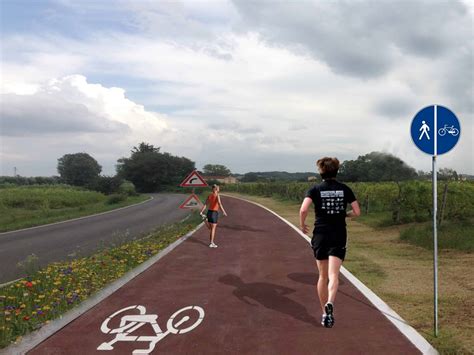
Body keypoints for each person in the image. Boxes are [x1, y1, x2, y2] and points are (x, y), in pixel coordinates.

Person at [299, 157, 360, 328]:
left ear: (321, 171)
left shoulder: (315, 189)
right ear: (336, 170)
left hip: (320, 234)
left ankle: (325, 314)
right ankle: (331, 302)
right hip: (338, 234)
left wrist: (303, 224)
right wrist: (344, 215)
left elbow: (303, 209)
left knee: (322, 276)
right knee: (334, 275)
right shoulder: (345, 189)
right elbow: (357, 211)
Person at [200, 184, 228, 248]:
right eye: (218, 188)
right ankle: (211, 243)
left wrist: (201, 211)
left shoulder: (209, 195)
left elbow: (205, 204)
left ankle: (205, 220)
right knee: (213, 229)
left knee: (210, 228)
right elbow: (219, 204)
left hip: (209, 212)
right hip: (214, 213)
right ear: (215, 189)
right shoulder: (217, 195)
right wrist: (224, 212)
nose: (219, 189)